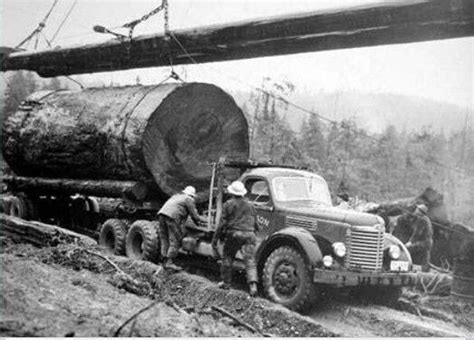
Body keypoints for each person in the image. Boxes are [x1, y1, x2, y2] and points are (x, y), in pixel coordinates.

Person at [212, 181, 259, 296]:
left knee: (227, 257)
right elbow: (256, 224)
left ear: (231, 192)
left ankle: (226, 283)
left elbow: (222, 224)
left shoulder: (228, 204)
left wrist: (215, 239)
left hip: (235, 234)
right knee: (250, 261)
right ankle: (253, 286)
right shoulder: (251, 205)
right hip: (250, 235)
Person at [157, 186, 207, 271]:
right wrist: (206, 220)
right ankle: (169, 263)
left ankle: (163, 260)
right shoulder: (189, 199)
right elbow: (195, 216)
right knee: (175, 239)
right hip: (172, 217)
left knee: (165, 238)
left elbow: (193, 218)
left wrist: (196, 222)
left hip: (162, 215)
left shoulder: (176, 196)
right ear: (192, 195)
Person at [405, 204, 433, 272]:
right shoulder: (426, 219)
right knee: (425, 260)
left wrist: (410, 242)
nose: (415, 210)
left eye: (417, 209)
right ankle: (425, 270)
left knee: (406, 250)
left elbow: (418, 233)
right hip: (428, 243)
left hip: (423, 243)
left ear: (420, 211)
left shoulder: (421, 220)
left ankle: (408, 267)